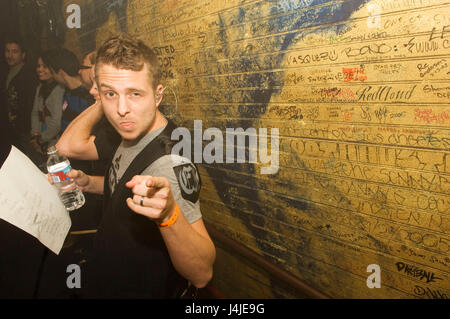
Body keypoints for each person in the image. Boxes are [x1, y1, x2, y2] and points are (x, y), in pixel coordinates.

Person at [54, 34, 215, 298]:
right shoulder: (131, 130)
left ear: (157, 95)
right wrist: (90, 183)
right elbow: (73, 149)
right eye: (110, 94)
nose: (121, 109)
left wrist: (168, 215)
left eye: (135, 93)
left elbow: (202, 273)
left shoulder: (169, 164)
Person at [1, 34, 38, 158]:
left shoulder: (29, 75)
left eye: (14, 52)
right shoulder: (5, 72)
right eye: (7, 51)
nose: (10, 55)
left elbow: (30, 104)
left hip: (25, 129)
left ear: (23, 54)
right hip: (9, 129)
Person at [29, 50, 65, 166]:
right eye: (38, 66)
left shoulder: (59, 90)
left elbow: (56, 124)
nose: (40, 69)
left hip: (55, 144)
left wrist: (40, 140)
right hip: (41, 142)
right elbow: (35, 113)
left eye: (45, 66)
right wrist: (35, 136)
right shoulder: (40, 88)